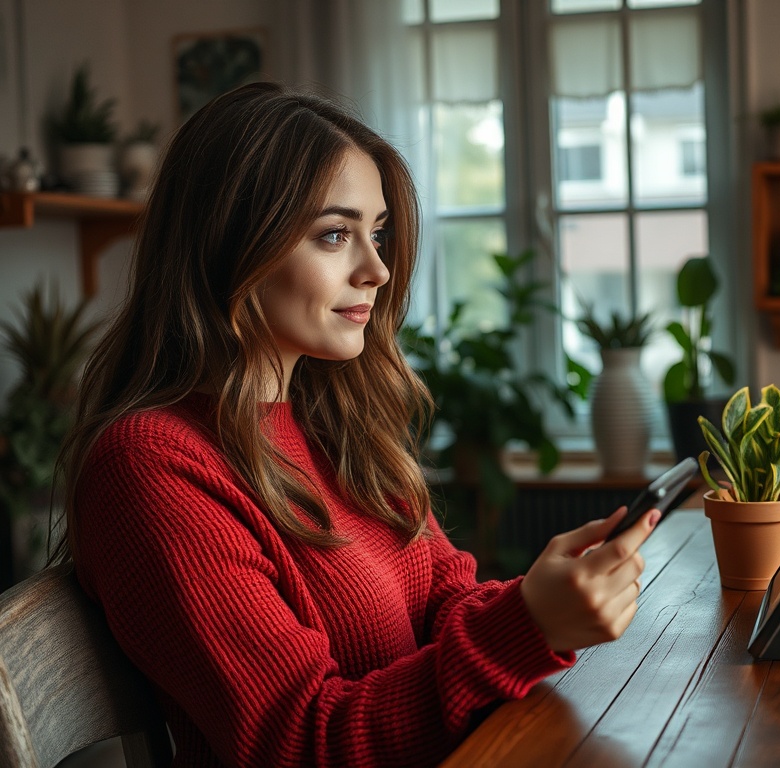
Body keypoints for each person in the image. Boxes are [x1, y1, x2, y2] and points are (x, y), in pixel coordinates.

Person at [54, 81, 659, 768]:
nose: (377, 268)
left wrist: (540, 600)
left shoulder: (333, 421)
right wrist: (524, 627)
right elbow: (303, 744)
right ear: (231, 244)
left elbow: (445, 604)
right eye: (335, 234)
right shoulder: (151, 468)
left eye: (377, 233)